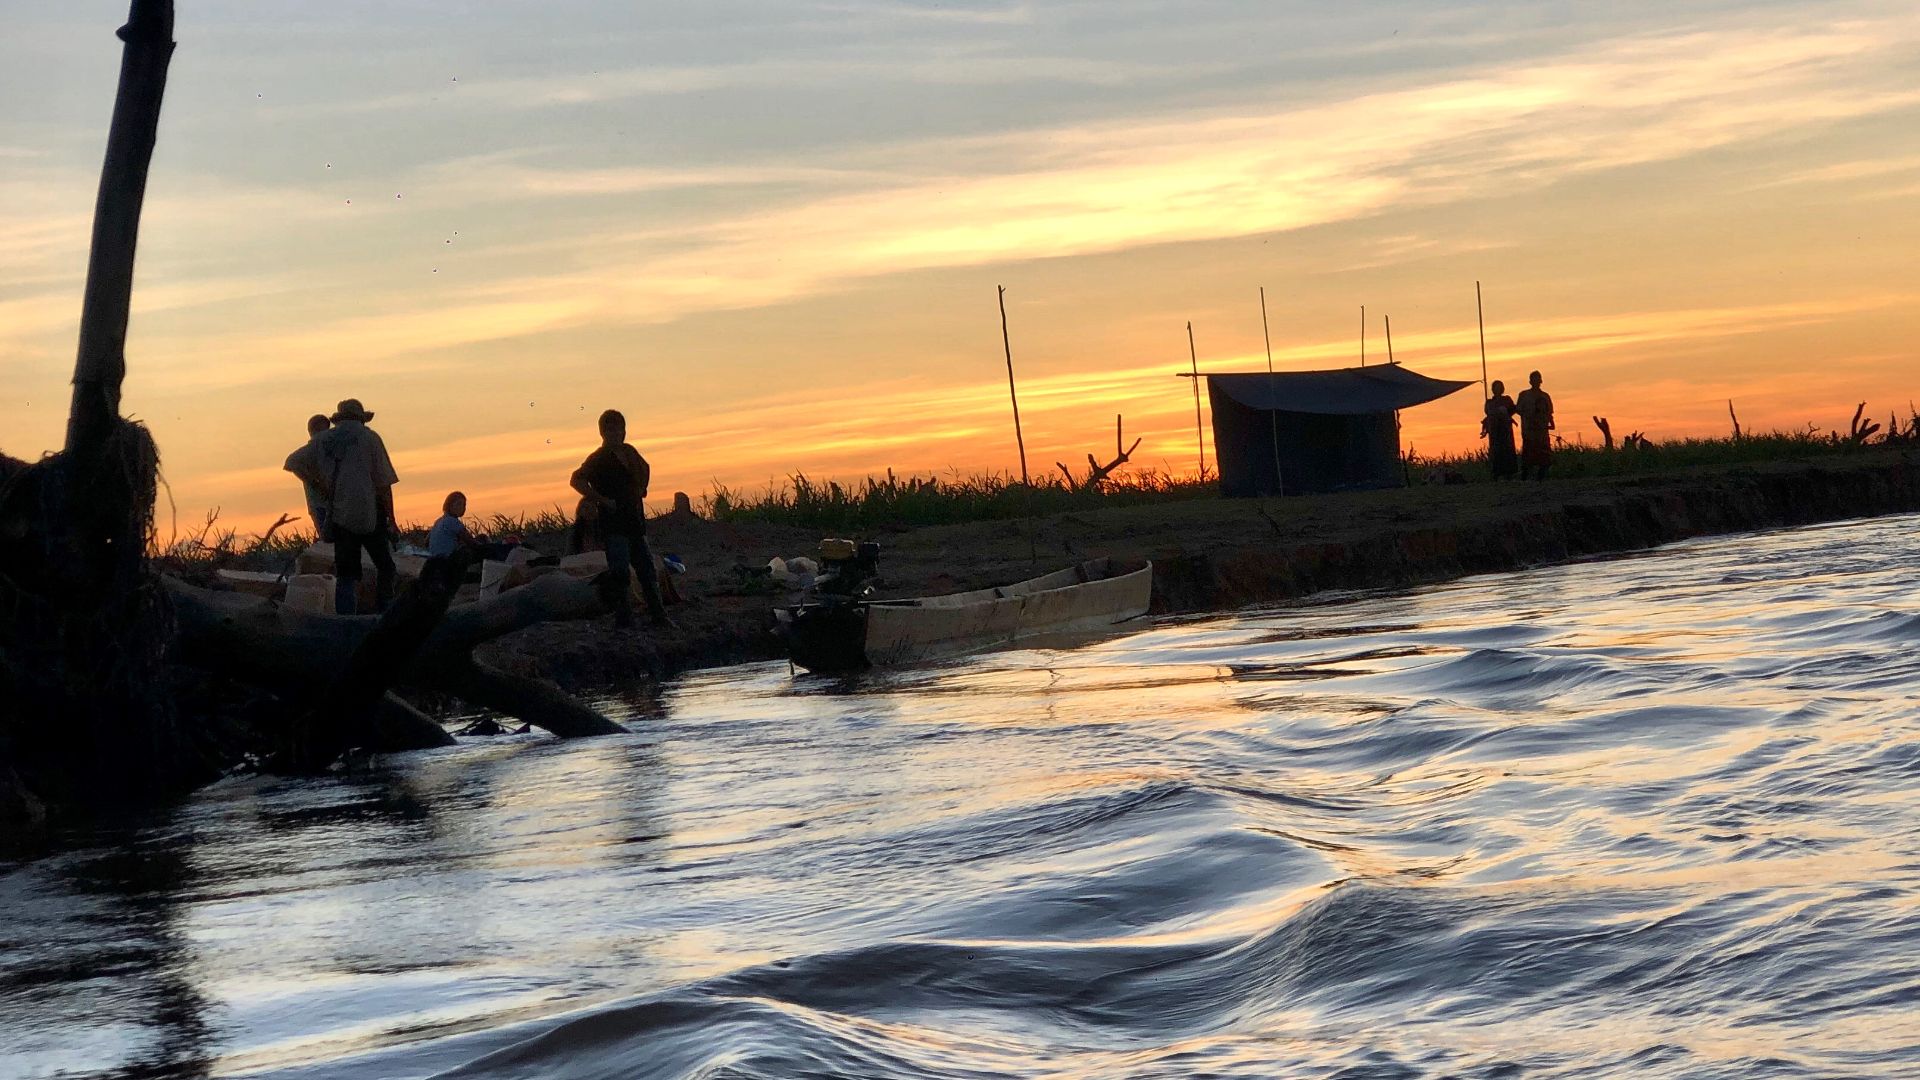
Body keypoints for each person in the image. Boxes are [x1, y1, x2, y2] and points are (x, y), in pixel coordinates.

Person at [570, 409, 669, 629]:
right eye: (612, 430)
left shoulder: (630, 452)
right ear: (603, 433)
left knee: (646, 570)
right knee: (620, 572)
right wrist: (602, 500)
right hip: (614, 525)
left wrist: (642, 488)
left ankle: (658, 616)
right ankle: (624, 618)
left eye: (620, 430)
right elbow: (576, 480)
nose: (618, 434)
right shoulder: (597, 458)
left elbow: (646, 468)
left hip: (635, 522)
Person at [308, 398, 399, 614]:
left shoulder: (326, 440)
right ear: (361, 418)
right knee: (386, 566)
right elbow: (384, 484)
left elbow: (295, 461)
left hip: (341, 514)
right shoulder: (370, 438)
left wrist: (321, 487)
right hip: (371, 513)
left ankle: (345, 619)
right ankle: (384, 612)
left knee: (347, 574)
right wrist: (392, 519)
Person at [282, 414, 332, 535]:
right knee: (327, 541)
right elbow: (291, 462)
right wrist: (315, 483)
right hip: (320, 504)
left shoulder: (331, 448)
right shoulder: (312, 449)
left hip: (333, 504)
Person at [1515, 370, 1555, 481]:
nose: (1536, 381)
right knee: (1529, 453)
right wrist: (1529, 417)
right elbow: (1518, 409)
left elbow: (1549, 412)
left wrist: (1547, 423)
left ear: (1541, 380)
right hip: (1529, 430)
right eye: (1534, 379)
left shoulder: (1545, 396)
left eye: (1538, 379)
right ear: (1530, 381)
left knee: (1544, 453)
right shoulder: (1524, 395)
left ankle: (1542, 476)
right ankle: (1526, 475)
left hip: (1542, 430)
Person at [1481, 380, 1518, 480]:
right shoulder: (1489, 402)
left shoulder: (1507, 399)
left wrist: (1505, 413)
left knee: (1507, 450)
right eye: (1496, 387)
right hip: (1495, 430)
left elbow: (1513, 409)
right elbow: (1488, 414)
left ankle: (1509, 474)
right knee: (1496, 451)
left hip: (1505, 429)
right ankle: (1496, 474)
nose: (1498, 389)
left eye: (1500, 387)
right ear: (1493, 389)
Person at [428, 491, 475, 557]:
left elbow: (427, 541)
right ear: (450, 506)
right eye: (459, 504)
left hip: (435, 559)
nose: (462, 507)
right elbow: (471, 541)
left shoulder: (438, 522)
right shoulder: (452, 522)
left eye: (464, 505)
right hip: (448, 561)